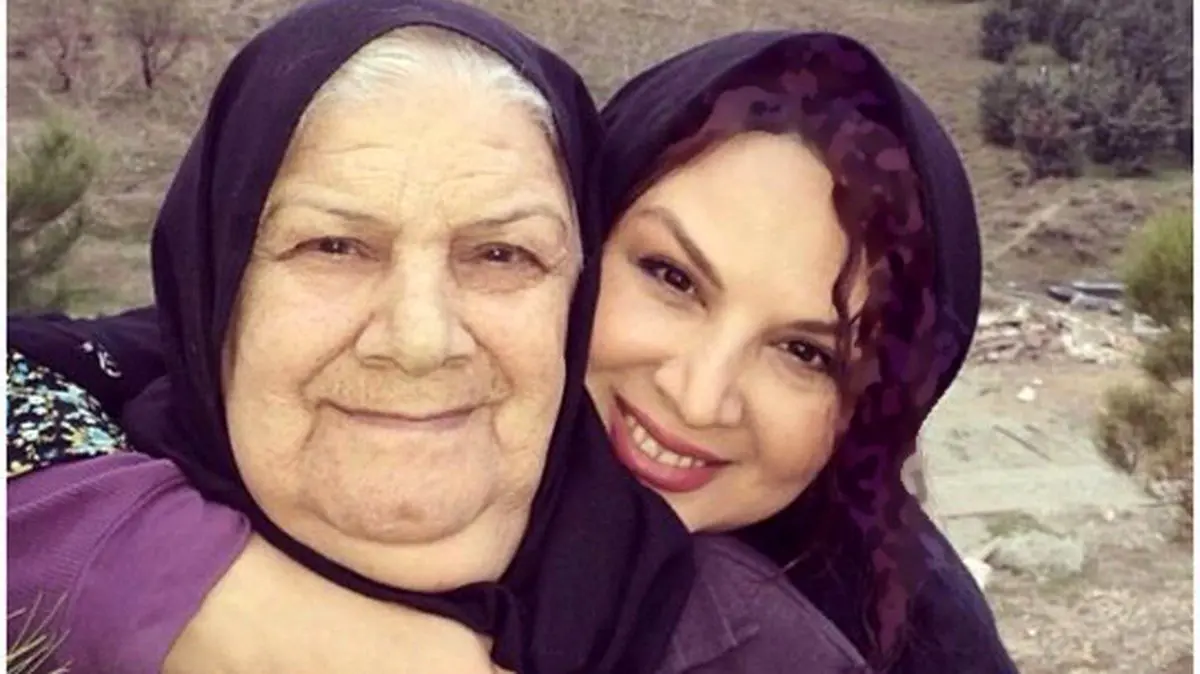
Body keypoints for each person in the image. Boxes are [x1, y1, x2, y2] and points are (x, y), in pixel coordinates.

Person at [10, 26, 1018, 674]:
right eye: (671, 277)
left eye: (806, 352)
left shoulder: (884, 626)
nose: (698, 395)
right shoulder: (190, 379)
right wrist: (184, 581)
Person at [7, 2, 699, 673]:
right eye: (332, 246)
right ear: (214, 290)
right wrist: (177, 590)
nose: (421, 340)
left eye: (501, 254)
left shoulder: (730, 633)